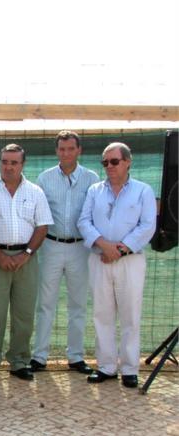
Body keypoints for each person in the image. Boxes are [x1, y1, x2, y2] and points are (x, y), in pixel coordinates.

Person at [77, 142, 156, 389]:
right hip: (100, 259)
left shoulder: (143, 191)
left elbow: (147, 226)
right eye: (105, 162)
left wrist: (119, 250)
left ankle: (130, 369)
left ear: (127, 162)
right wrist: (104, 245)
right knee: (102, 314)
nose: (109, 166)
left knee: (130, 315)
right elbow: (84, 221)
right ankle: (106, 367)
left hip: (130, 261)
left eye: (114, 161)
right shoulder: (94, 190)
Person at [0, 144, 53, 382]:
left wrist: (26, 254)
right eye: (4, 162)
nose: (8, 167)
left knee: (24, 313)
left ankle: (19, 361)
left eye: (14, 162)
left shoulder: (35, 192)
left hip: (26, 259)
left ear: (22, 164)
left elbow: (42, 226)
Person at [30, 131, 99, 374]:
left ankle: (76, 357)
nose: (66, 153)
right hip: (51, 245)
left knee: (78, 304)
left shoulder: (92, 178)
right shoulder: (45, 178)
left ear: (79, 150)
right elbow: (38, 213)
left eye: (70, 148)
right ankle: (39, 356)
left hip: (81, 247)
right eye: (62, 149)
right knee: (45, 303)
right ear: (56, 150)